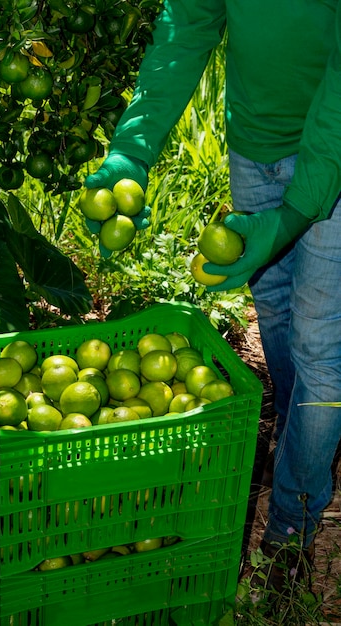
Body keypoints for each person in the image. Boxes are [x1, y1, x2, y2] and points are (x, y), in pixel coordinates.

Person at [84, 0, 341, 593]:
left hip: (334, 157)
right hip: (256, 147)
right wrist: (132, 148)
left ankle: (289, 533)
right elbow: (187, 28)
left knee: (321, 352)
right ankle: (299, 437)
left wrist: (293, 216)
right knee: (274, 309)